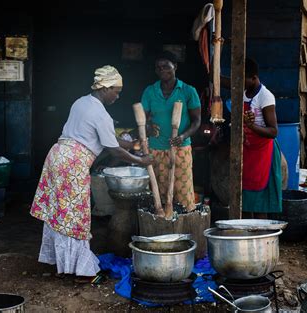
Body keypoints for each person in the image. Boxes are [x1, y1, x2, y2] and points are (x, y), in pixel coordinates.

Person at [30, 65, 152, 283]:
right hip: (72, 164)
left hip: (57, 157)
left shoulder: (82, 102)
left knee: (61, 213)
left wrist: (132, 143)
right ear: (106, 87)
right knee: (75, 216)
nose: (118, 95)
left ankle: (64, 266)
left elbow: (108, 140)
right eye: (117, 90)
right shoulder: (100, 113)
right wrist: (140, 160)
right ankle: (80, 272)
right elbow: (113, 149)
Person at [141, 51, 201, 212]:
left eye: (166, 67)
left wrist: (183, 136)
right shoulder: (150, 91)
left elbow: (197, 121)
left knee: (182, 193)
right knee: (158, 193)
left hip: (180, 149)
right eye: (158, 68)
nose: (162, 70)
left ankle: (182, 225)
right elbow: (143, 119)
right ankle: (162, 225)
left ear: (175, 67)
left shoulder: (188, 91)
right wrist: (147, 127)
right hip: (156, 149)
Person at [240, 58, 282, 218]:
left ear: (254, 78)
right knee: (244, 197)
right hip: (248, 149)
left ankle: (260, 237)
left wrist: (251, 127)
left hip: (263, 152)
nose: (240, 82)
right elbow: (224, 81)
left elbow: (273, 131)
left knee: (260, 202)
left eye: (243, 79)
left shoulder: (265, 96)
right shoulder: (244, 92)